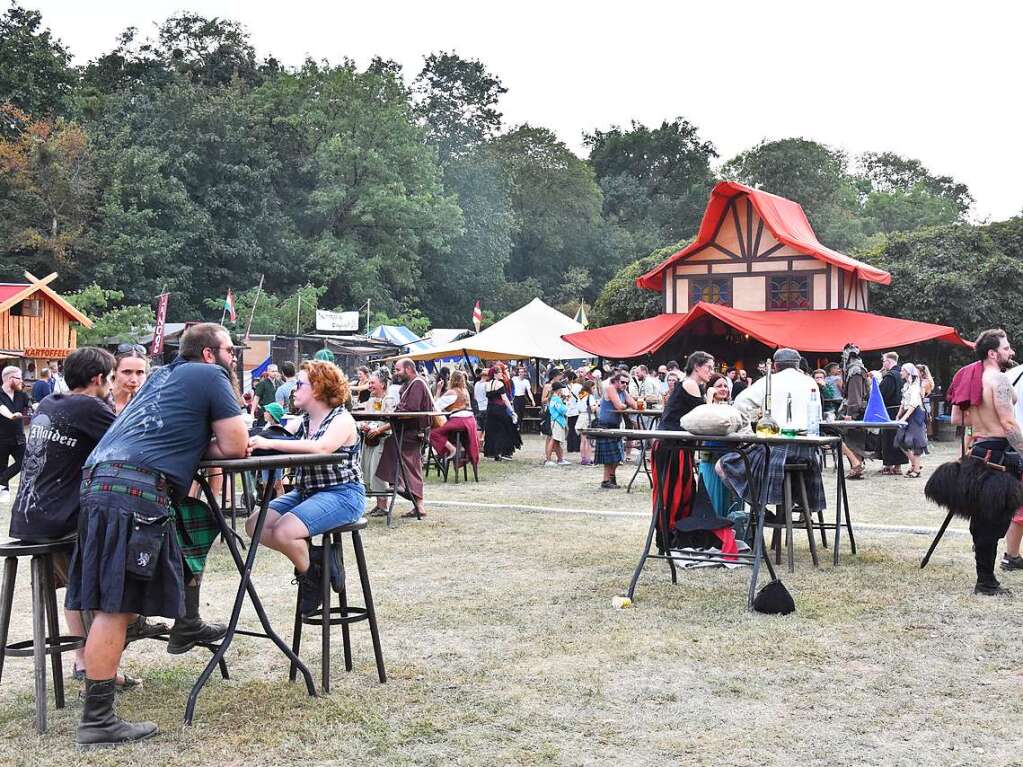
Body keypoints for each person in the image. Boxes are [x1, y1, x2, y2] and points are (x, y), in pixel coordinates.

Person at [67, 323, 248, 747]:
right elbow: (237, 445)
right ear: (208, 354)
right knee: (116, 606)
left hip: (98, 483)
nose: (234, 357)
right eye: (229, 349)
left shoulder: (161, 376)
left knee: (111, 601)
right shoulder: (211, 376)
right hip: (133, 489)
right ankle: (97, 721)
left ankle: (187, 623)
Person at [9, 348, 138, 687]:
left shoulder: (52, 401)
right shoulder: (91, 406)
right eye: (111, 378)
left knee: (74, 583)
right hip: (60, 521)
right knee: (129, 557)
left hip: (28, 519)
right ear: (98, 379)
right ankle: (107, 652)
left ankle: (84, 659)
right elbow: (134, 442)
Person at [247, 360, 365, 616]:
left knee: (284, 532)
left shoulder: (342, 419)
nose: (294, 389)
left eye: (300, 384)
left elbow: (322, 447)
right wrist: (252, 440)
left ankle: (311, 580)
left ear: (319, 388)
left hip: (343, 494)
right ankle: (318, 563)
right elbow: (276, 435)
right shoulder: (302, 421)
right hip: (307, 493)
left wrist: (267, 444)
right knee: (254, 525)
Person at [925, 329, 1023, 596]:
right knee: (994, 521)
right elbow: (1008, 423)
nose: (1010, 352)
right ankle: (987, 582)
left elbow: (958, 419)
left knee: (985, 520)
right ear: (992, 353)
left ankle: (986, 578)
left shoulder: (969, 377)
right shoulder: (1000, 380)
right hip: (999, 456)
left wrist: (982, 421)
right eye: (1006, 348)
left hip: (978, 452)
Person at [720, 348, 826, 523]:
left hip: (774, 451)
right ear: (798, 365)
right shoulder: (810, 382)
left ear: (775, 366)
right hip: (807, 453)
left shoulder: (769, 380)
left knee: (722, 466)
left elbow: (740, 403)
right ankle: (786, 506)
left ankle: (759, 509)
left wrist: (746, 429)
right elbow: (817, 418)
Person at [650, 352, 713, 532]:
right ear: (697, 366)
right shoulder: (690, 383)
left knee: (680, 492)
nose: (711, 371)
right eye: (709, 367)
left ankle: (674, 537)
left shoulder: (689, 384)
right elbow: (704, 416)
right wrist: (710, 394)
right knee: (673, 494)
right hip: (671, 446)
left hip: (674, 444)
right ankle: (669, 537)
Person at [375, 357, 432, 518]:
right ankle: (416, 503)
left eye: (398, 370)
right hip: (408, 431)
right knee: (411, 465)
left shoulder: (418, 383)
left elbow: (411, 408)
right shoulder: (411, 384)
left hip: (412, 432)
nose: (396, 373)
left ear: (408, 369)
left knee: (392, 445)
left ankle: (397, 482)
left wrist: (394, 414)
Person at [359, 370, 396, 517]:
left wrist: (379, 430)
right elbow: (367, 419)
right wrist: (365, 425)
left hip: (383, 439)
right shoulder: (371, 400)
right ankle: (378, 504)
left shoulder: (390, 399)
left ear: (382, 384)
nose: (370, 385)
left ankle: (383, 505)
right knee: (367, 469)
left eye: (373, 383)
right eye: (370, 383)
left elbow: (393, 422)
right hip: (370, 438)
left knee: (377, 470)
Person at [429, 370, 480, 469]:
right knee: (451, 433)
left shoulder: (451, 392)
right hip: (471, 420)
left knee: (434, 433)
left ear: (451, 380)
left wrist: (438, 390)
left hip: (459, 420)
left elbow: (435, 406)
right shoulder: (465, 391)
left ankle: (452, 449)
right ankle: (461, 452)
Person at [0, 365, 29, 502]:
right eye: (19, 378)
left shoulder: (21, 394)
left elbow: (32, 406)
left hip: (19, 437)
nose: (21, 381)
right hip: (2, 438)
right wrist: (11, 415)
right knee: (2, 465)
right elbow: (2, 408)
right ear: (10, 379)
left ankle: (1, 481)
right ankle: (3, 489)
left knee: (25, 462)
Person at [877, 351, 908, 475]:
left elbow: (882, 394)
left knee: (889, 438)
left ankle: (889, 465)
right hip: (901, 410)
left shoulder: (890, 376)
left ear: (888, 361)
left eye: (883, 361)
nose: (883, 363)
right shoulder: (902, 374)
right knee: (899, 437)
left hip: (890, 411)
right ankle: (897, 466)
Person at [894, 363, 927, 477]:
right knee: (900, 440)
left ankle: (916, 469)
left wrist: (904, 417)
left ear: (908, 372)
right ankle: (915, 465)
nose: (901, 372)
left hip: (915, 414)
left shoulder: (915, 386)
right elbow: (903, 402)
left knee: (914, 442)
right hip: (907, 413)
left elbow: (913, 404)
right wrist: (899, 415)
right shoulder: (906, 386)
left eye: (903, 370)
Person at [483, 364, 520, 461]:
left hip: (490, 409)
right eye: (499, 372)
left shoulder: (487, 384)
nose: (501, 374)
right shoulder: (500, 384)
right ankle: (503, 452)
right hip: (499, 409)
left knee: (492, 432)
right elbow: (505, 399)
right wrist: (512, 411)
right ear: (495, 374)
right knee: (504, 430)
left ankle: (495, 453)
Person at [110, 348, 149, 416]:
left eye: (140, 372)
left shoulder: (146, 405)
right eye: (127, 372)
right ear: (114, 371)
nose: (134, 379)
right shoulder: (97, 402)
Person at [544, 381, 570, 466]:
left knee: (557, 441)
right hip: (557, 421)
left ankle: (560, 459)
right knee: (554, 439)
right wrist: (566, 406)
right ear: (558, 390)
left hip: (556, 420)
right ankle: (548, 460)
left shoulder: (554, 398)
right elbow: (562, 410)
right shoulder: (556, 399)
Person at [577, 379, 597, 466]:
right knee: (588, 440)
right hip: (588, 418)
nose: (594, 389)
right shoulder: (590, 397)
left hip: (581, 417)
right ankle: (588, 458)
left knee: (582, 440)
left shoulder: (581, 395)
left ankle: (583, 458)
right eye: (593, 387)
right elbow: (593, 408)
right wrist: (597, 405)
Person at [511, 366, 534, 430]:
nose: (521, 373)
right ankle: (516, 427)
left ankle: (519, 425)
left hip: (522, 398)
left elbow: (529, 392)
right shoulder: (514, 379)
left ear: (524, 373)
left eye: (522, 372)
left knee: (521, 414)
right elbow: (510, 388)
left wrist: (532, 400)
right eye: (520, 372)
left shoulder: (526, 381)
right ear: (518, 373)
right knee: (516, 413)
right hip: (515, 398)